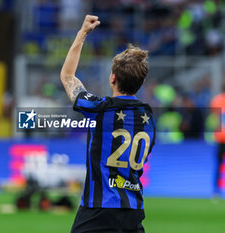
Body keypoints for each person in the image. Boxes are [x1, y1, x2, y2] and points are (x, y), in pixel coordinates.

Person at [60, 15, 156, 233]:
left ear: (112, 78)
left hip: (98, 210)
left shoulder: (99, 108)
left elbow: (67, 76)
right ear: (141, 82)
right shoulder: (149, 118)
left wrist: (82, 33)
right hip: (132, 211)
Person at [210, 84, 225, 196]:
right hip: (220, 138)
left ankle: (216, 191)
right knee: (218, 164)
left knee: (218, 164)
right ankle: (215, 189)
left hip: (220, 137)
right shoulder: (217, 100)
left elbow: (214, 119)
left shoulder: (216, 100)